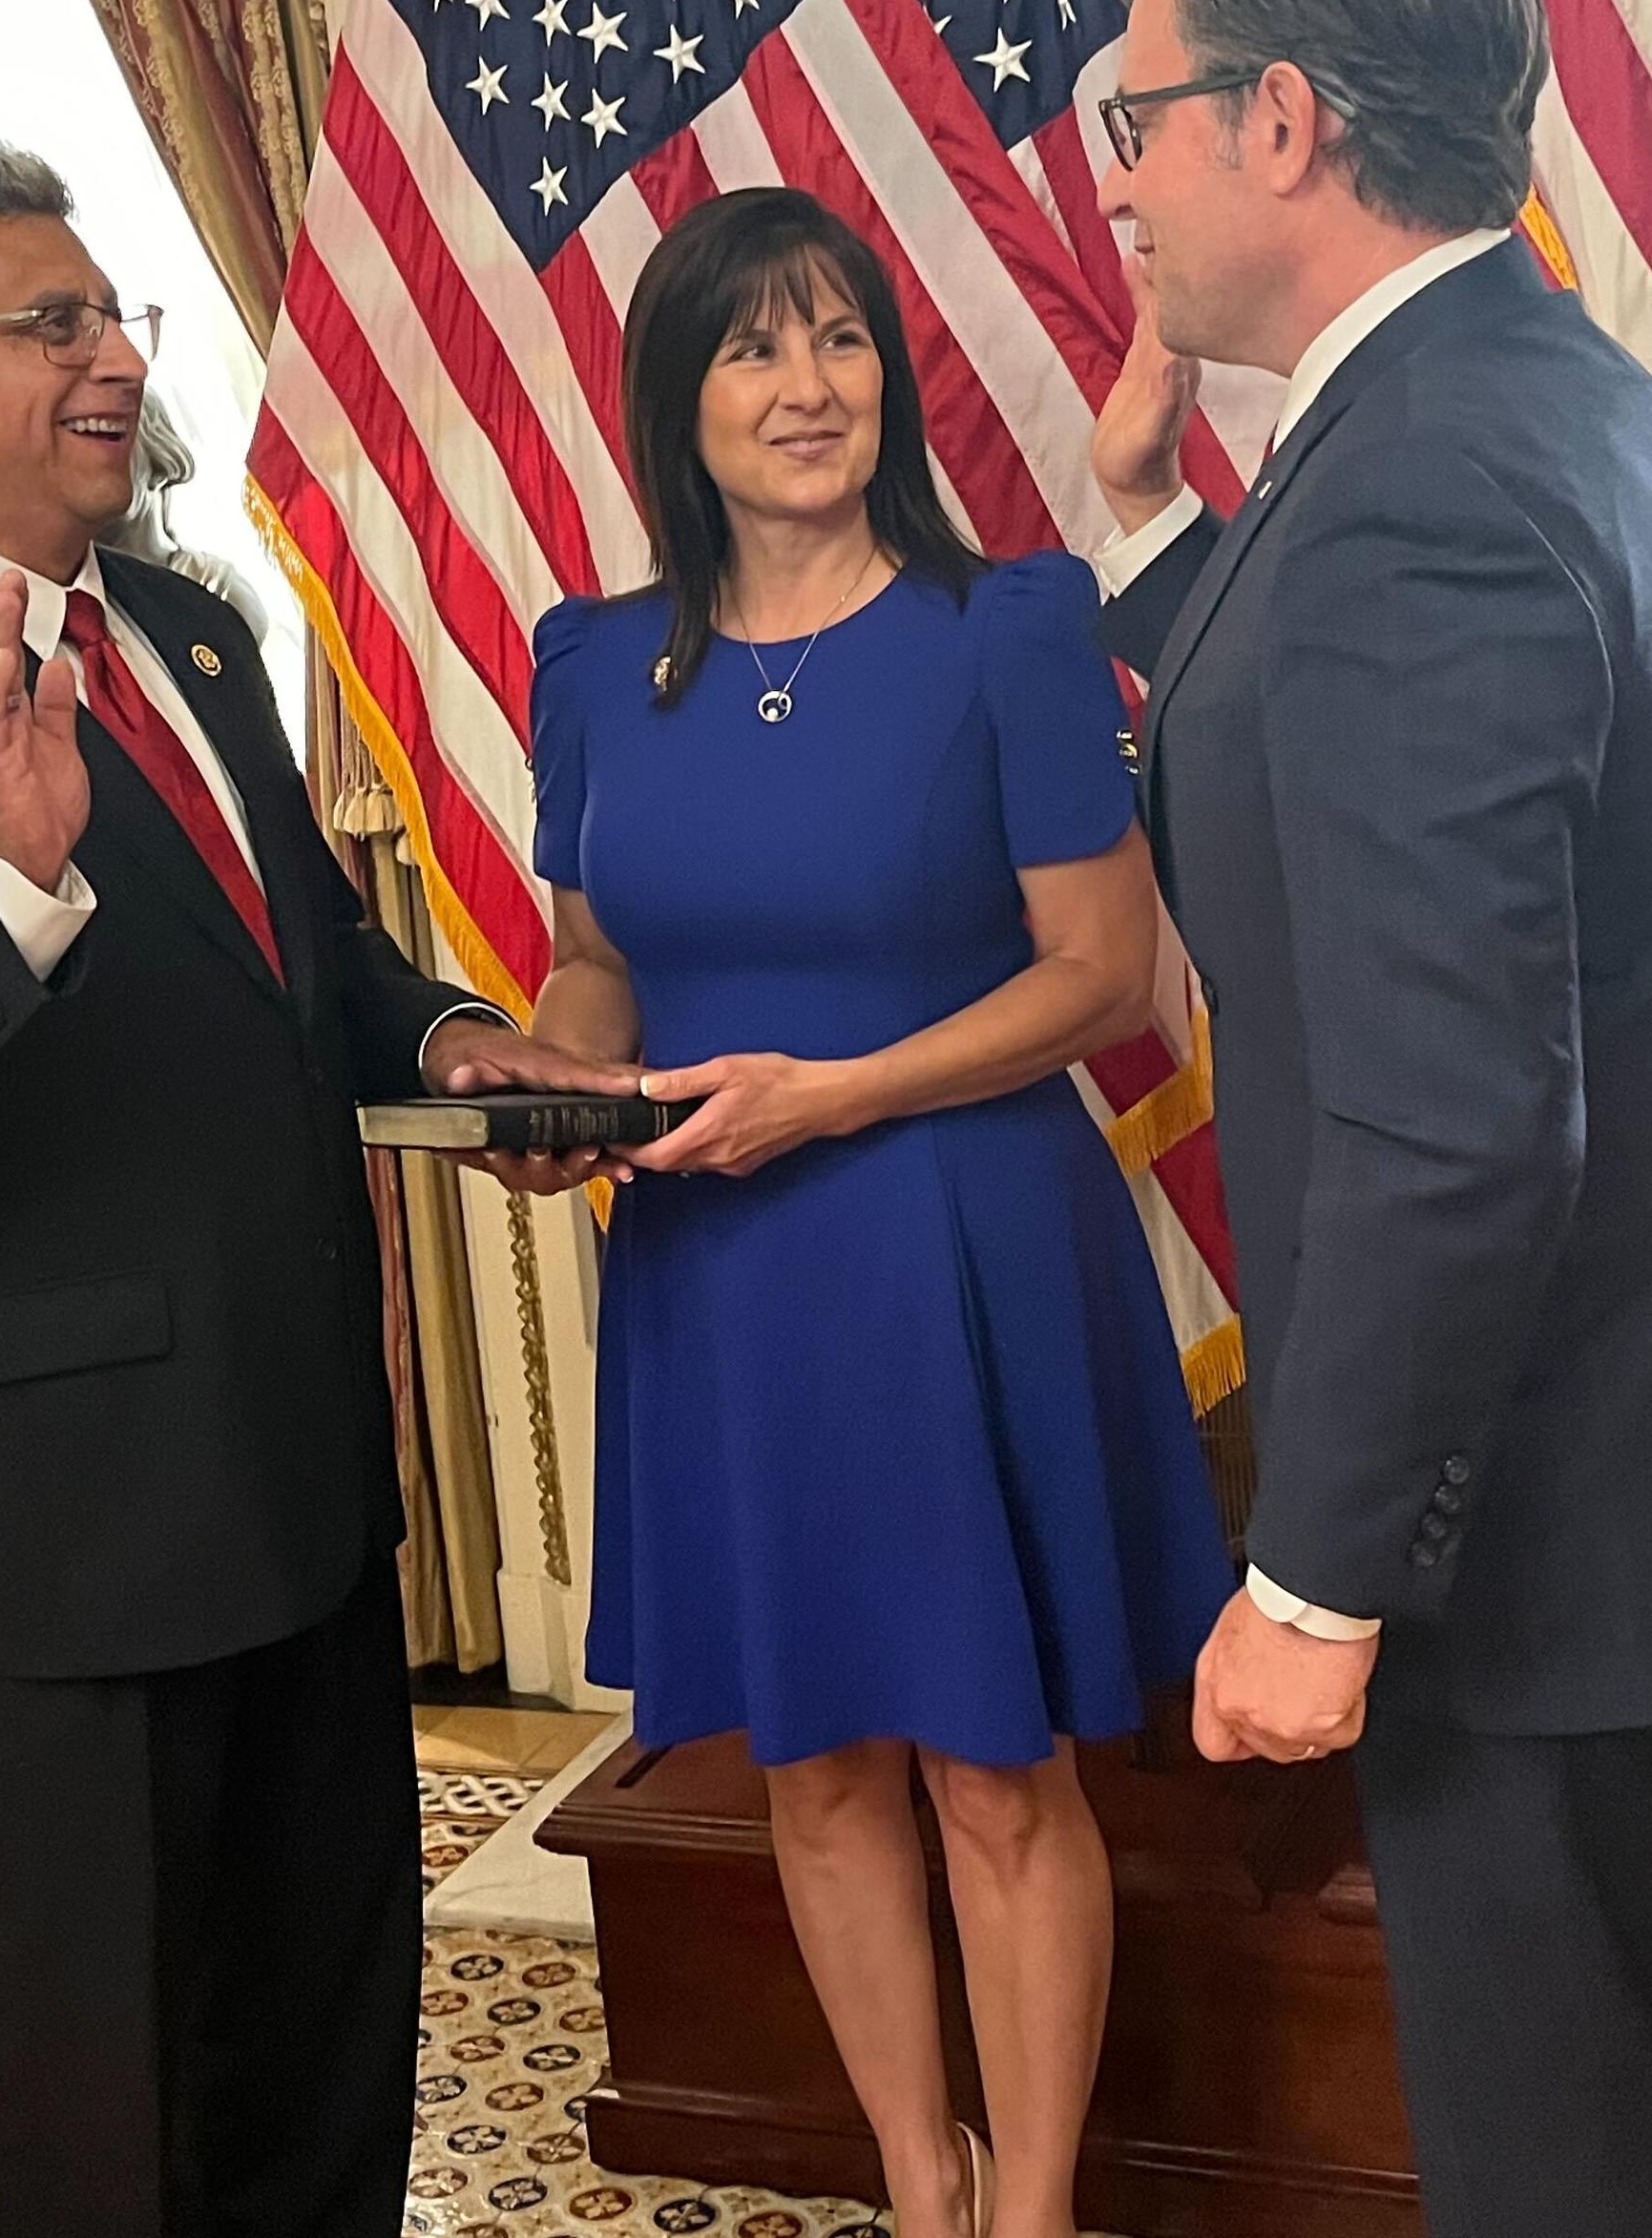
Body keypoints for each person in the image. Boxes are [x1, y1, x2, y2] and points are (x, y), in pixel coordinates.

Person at [1085, 0, 1652, 2235]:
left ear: (1285, 118)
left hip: (1547, 1509)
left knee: (1582, 2177)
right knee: (1627, 2125)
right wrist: (1148, 539)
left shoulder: (1412, 492)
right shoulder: (1525, 401)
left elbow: (1454, 1123)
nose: (1111, 178)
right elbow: (1380, 771)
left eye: (1138, 115)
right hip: (1640, 1438)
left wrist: (1316, 1583)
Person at [0, 146, 546, 2238]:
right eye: (48, 323)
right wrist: (2, 885)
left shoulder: (189, 632)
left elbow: (302, 965)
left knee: (325, 2059)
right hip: (60, 1555)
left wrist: (440, 1042)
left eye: (110, 315)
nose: (110, 358)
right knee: (106, 2140)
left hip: (302, 1497)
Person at [458, 187, 1231, 2238]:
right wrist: (560, 1067)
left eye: (839, 340)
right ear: (675, 399)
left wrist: (835, 1096)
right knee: (810, 1761)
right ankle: (923, 2180)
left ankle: (1037, 2210)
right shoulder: (599, 665)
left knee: (995, 1763)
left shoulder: (1012, 628)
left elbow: (1103, 978)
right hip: (726, 1273)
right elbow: (600, 966)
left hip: (958, 1243)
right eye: (751, 348)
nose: (807, 388)